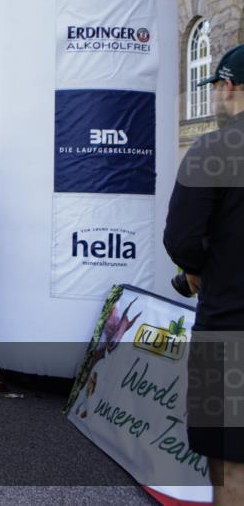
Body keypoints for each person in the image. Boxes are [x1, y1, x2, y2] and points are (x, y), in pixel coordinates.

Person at [163, 44, 244, 504]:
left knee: (231, 465)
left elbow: (181, 239)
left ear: (228, 87)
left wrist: (195, 270)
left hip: (230, 327)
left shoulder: (214, 148)